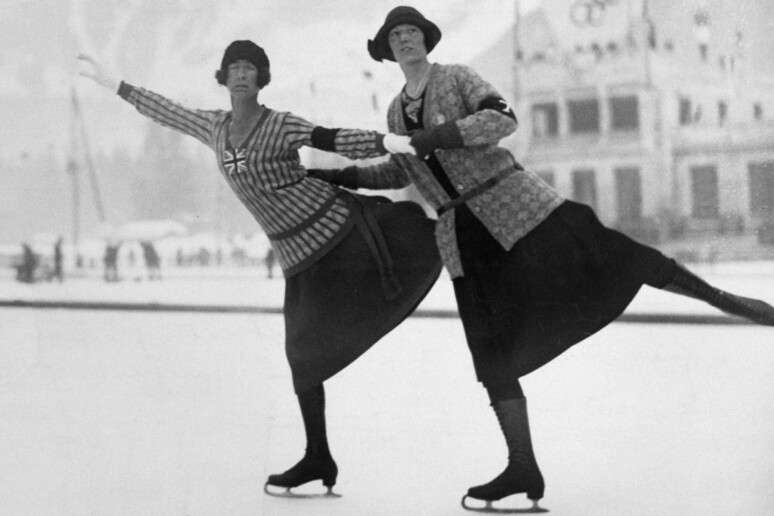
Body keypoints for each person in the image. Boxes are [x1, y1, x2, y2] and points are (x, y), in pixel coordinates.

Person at [308, 6, 774, 512]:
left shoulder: (458, 78)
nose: (404, 40)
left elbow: (502, 118)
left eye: (412, 32)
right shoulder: (396, 112)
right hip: (461, 234)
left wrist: (441, 136)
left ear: (426, 40)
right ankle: (522, 466)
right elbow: (401, 173)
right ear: (387, 49)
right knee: (488, 351)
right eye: (395, 35)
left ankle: (725, 298)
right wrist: (342, 177)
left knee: (615, 255)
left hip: (518, 203)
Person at [78, 40, 441, 498]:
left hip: (339, 228)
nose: (241, 74)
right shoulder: (214, 127)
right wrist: (113, 83)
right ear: (224, 77)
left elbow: (329, 138)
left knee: (418, 240)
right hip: (298, 257)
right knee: (302, 358)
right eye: (234, 67)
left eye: (250, 67)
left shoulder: (280, 123)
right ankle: (318, 456)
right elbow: (166, 111)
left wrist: (386, 142)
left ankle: (472, 231)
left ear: (261, 76)